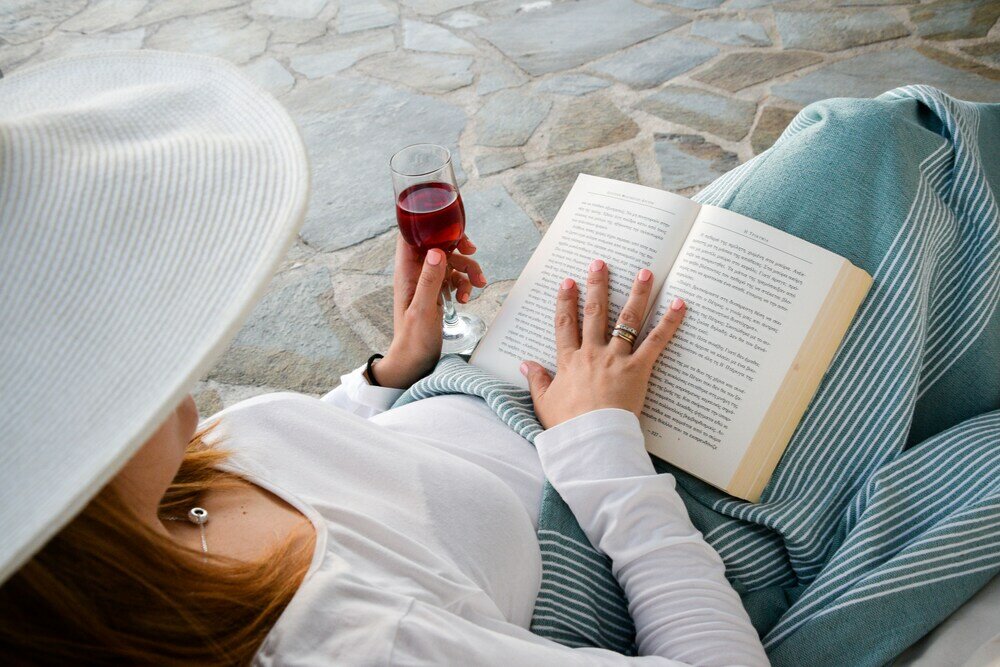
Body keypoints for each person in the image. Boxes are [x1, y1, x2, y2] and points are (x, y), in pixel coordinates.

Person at [0, 52, 768, 665]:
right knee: (845, 148)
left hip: (487, 395)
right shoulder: (362, 642)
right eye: (100, 365)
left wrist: (391, 371)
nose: (162, 356)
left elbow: (328, 463)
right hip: (609, 479)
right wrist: (603, 444)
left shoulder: (158, 506)